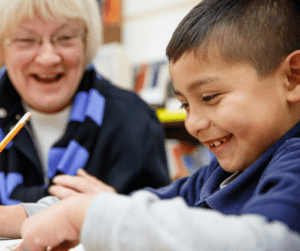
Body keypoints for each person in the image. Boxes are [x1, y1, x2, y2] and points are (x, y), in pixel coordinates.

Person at [7, 0, 300, 249]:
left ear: (293, 78)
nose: (193, 124)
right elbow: (138, 204)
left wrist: (91, 214)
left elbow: (272, 242)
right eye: (185, 105)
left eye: (209, 97)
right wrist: (72, 211)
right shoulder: (220, 174)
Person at [0, 0, 170, 206]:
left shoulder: (136, 121)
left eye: (65, 37)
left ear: (87, 42)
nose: (48, 58)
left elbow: (157, 228)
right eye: (26, 39)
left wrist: (119, 213)